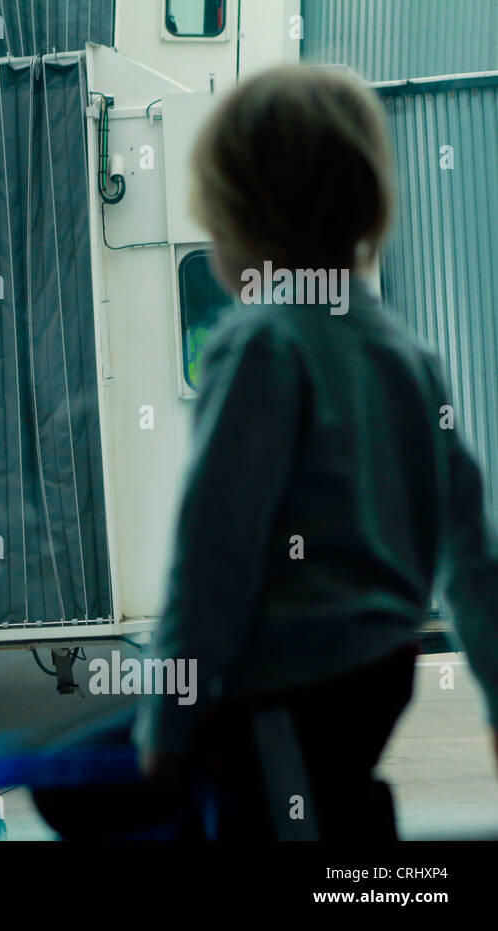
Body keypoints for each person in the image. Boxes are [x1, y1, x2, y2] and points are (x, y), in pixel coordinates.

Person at [134, 65, 498, 839]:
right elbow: (472, 555)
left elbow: (213, 559)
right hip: (378, 671)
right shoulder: (405, 352)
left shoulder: (262, 344)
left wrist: (168, 721)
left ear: (242, 227)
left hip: (287, 686)